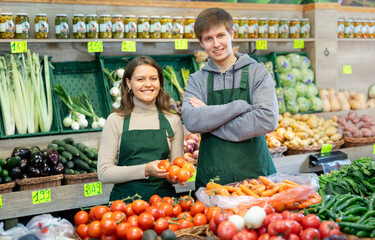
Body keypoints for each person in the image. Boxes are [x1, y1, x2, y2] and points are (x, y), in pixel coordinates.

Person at [181, 8, 278, 190]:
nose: (216, 44)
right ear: (201, 43)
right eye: (208, 39)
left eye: (220, 35)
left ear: (232, 33)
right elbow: (192, 121)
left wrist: (210, 120)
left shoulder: (257, 72)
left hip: (257, 179)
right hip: (213, 180)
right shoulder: (197, 80)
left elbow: (267, 120)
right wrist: (239, 106)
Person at [98, 56, 184, 201]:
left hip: (164, 204)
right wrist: (145, 170)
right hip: (125, 204)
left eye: (153, 78)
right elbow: (104, 173)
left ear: (160, 82)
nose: (148, 84)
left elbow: (175, 168)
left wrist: (176, 176)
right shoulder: (115, 120)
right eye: (140, 79)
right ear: (128, 83)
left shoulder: (173, 121)